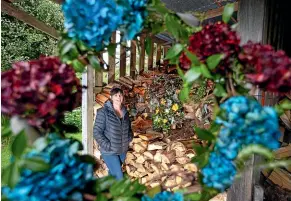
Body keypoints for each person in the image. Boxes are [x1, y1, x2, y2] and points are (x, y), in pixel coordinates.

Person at [93, 87, 133, 180]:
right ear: (111, 97)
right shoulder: (103, 112)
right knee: (119, 177)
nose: (118, 97)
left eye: (120, 95)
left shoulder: (125, 112)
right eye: (116, 95)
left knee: (112, 176)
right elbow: (97, 132)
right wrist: (108, 146)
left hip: (122, 150)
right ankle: (123, 194)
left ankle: (107, 192)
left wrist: (129, 138)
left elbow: (129, 129)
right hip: (109, 151)